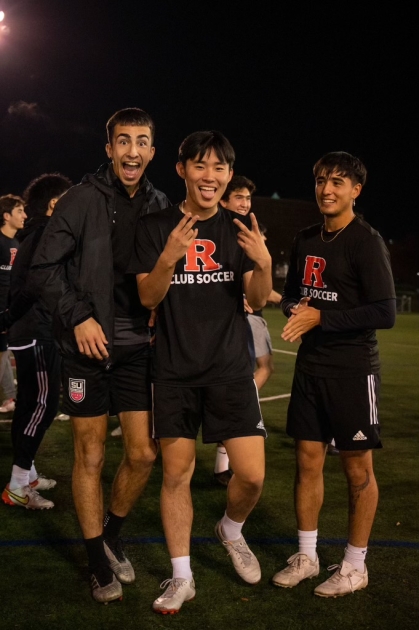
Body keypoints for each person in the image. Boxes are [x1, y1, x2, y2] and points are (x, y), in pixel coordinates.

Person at [30, 108, 171, 603]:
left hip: (137, 350)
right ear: (109, 148)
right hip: (86, 349)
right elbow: (43, 268)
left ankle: (111, 537)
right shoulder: (80, 200)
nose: (133, 151)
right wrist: (79, 316)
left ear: (153, 152)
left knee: (142, 453)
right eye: (123, 141)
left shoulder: (161, 203)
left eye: (143, 142)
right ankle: (96, 562)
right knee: (89, 454)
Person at [131, 130, 272, 614]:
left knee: (251, 477)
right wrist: (169, 255)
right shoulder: (153, 226)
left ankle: (230, 530)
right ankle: (182, 576)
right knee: (177, 475)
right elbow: (147, 297)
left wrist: (265, 262)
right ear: (181, 169)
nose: (209, 176)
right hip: (173, 369)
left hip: (231, 369)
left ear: (229, 175)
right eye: (200, 166)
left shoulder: (240, 227)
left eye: (219, 168)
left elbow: (255, 300)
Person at [272, 151, 396, 598]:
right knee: (307, 462)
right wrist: (297, 310)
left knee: (357, 468)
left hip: (351, 369)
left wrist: (322, 318)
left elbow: (385, 312)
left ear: (356, 190)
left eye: (339, 181)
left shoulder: (365, 240)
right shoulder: (305, 238)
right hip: (311, 368)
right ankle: (307, 555)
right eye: (322, 179)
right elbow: (289, 296)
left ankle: (354, 565)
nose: (327, 188)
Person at [1, 173, 73, 511]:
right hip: (37, 329)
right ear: (56, 204)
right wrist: (10, 317)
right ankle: (17, 486)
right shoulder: (47, 232)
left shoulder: (30, 232)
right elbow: (35, 284)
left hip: (27, 330)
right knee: (45, 404)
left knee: (30, 405)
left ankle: (26, 474)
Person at [213, 179, 281, 486]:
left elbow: (257, 291)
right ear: (223, 200)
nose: (244, 203)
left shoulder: (244, 235)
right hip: (226, 327)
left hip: (242, 322)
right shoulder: (214, 233)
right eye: (238, 197)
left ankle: (222, 465)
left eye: (247, 198)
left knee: (233, 388)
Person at [0, 195, 27, 405]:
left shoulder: (16, 242)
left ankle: (10, 398)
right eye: (19, 211)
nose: (24, 215)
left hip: (8, 311)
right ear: (6, 215)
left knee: (3, 353)